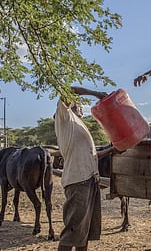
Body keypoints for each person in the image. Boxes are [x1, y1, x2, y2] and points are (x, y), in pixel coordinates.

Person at [55, 86, 115, 251]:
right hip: (78, 181)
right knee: (73, 229)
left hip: (89, 180)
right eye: (77, 102)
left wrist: (111, 150)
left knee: (84, 230)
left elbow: (92, 155)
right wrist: (97, 94)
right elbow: (69, 89)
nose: (80, 104)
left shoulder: (80, 124)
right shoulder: (64, 118)